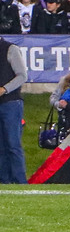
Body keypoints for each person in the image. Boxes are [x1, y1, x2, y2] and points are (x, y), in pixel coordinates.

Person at [0, 37, 27, 184]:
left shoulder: (11, 49)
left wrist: (4, 89)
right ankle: (4, 180)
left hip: (11, 102)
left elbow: (22, 75)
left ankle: (20, 180)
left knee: (12, 143)